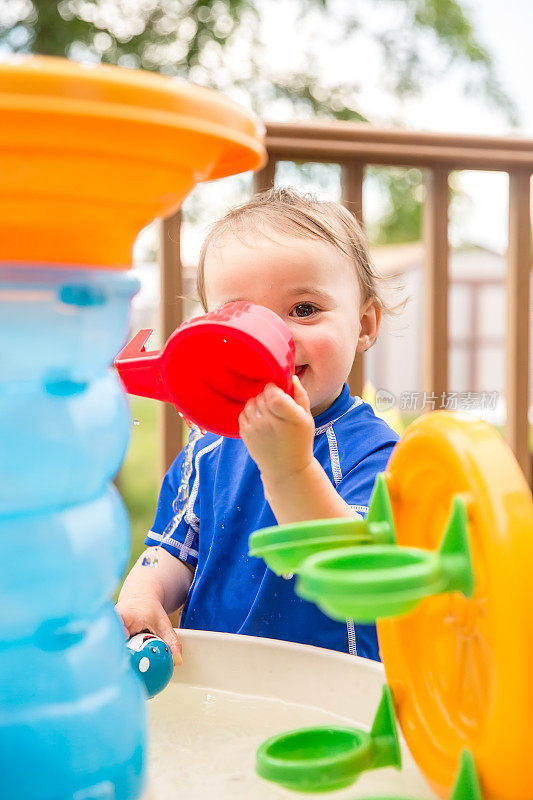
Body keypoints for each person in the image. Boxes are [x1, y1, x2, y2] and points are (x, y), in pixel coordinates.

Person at [116, 187, 399, 666]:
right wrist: (143, 592)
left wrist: (288, 469)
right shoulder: (208, 448)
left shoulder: (374, 452)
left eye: (304, 309)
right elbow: (172, 552)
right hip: (222, 688)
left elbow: (353, 573)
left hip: (330, 702)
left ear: (365, 324)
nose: (275, 339)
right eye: (242, 320)